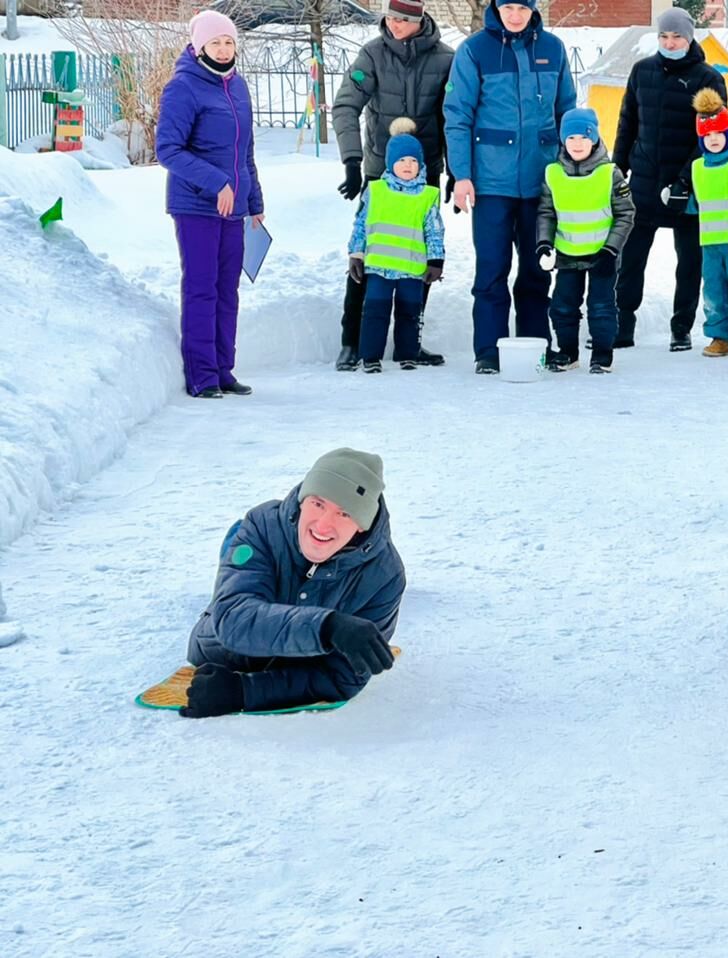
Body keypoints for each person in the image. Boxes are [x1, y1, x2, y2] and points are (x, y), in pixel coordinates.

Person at [180, 448, 405, 718]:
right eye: (318, 503)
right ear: (302, 501)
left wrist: (244, 691)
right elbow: (233, 618)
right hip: (259, 560)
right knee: (242, 553)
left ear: (362, 525)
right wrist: (328, 627)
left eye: (344, 514)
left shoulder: (385, 576)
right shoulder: (262, 525)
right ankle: (235, 544)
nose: (322, 525)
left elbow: (342, 678)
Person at [443, 0, 576, 374]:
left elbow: (567, 110)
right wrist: (462, 174)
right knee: (491, 269)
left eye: (522, 8)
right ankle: (488, 349)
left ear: (532, 10)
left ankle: (536, 345)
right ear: (496, 8)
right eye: (508, 8)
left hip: (542, 180)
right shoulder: (474, 51)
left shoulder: (552, 48)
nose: (514, 16)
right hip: (491, 182)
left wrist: (571, 167)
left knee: (537, 269)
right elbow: (457, 116)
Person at [331, 0, 453, 372]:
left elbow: (455, 116)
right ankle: (352, 341)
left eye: (404, 19)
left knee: (418, 256)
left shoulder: (446, 59)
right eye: (391, 18)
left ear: (420, 21)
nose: (395, 25)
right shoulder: (372, 54)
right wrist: (352, 161)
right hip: (380, 172)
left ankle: (409, 342)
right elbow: (345, 106)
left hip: (423, 172)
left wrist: (457, 171)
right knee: (370, 252)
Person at [155, 11, 263, 400]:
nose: (222, 49)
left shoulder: (238, 87)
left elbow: (244, 150)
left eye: (228, 42)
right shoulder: (183, 87)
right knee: (201, 288)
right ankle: (202, 375)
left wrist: (253, 199)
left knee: (227, 289)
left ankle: (223, 370)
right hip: (196, 206)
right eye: (215, 42)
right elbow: (167, 149)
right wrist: (216, 182)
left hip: (233, 206)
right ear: (199, 45)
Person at [612, 8, 728, 352]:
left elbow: (711, 135)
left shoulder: (708, 78)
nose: (670, 42)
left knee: (689, 262)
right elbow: (627, 122)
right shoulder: (641, 71)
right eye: (664, 36)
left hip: (687, 187)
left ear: (689, 38)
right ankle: (623, 323)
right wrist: (618, 167)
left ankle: (681, 327)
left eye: (677, 36)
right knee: (631, 258)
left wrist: (685, 179)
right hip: (644, 183)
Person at [536, 107, 636, 374]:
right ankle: (568, 353)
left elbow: (626, 214)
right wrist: (544, 243)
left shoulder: (610, 174)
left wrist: (611, 249)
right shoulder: (553, 174)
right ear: (562, 141)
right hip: (568, 254)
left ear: (594, 139)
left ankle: (603, 354)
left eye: (583, 137)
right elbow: (546, 213)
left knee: (601, 307)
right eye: (570, 138)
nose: (577, 143)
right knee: (562, 306)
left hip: (602, 254)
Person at [347, 119, 446, 373]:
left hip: (412, 269)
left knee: (410, 312)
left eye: (413, 161)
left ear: (420, 165)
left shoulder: (427, 196)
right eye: (401, 160)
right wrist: (356, 254)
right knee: (375, 312)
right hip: (379, 267)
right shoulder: (376, 191)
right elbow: (361, 224)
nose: (407, 166)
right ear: (391, 163)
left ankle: (407, 352)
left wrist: (436, 261)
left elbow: (434, 230)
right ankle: (370, 356)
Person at [688, 89, 728, 358]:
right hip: (709, 243)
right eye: (707, 135)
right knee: (713, 292)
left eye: (718, 133)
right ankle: (719, 336)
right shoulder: (698, 167)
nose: (713, 139)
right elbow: (696, 202)